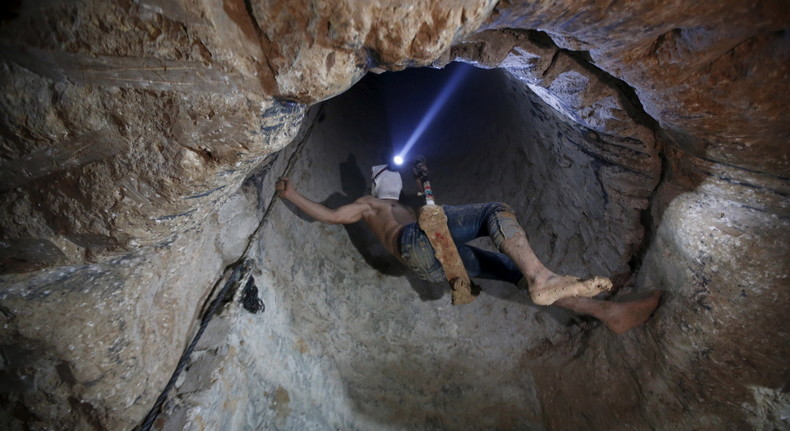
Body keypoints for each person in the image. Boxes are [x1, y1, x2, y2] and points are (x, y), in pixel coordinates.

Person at [275, 165, 660, 334]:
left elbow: (436, 225)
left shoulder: (401, 209)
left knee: (512, 271)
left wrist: (423, 189)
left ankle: (607, 312)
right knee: (494, 211)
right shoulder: (370, 204)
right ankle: (542, 277)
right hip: (417, 244)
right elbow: (332, 216)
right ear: (378, 185)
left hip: (427, 264)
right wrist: (293, 195)